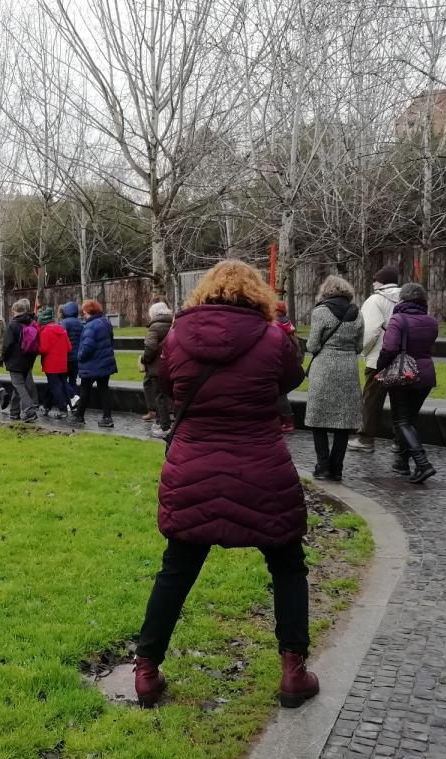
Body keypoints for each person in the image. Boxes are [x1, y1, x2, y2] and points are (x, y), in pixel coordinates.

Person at [132, 260, 316, 711]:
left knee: (175, 570)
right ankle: (293, 672)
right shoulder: (273, 340)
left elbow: (169, 385)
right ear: (257, 295)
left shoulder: (176, 337)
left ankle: (146, 671)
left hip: (193, 466)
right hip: (262, 467)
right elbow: (290, 378)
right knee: (288, 566)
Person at [376, 283, 439, 483]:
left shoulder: (398, 319)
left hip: (403, 376)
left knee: (401, 421)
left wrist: (380, 366)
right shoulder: (431, 321)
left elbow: (389, 348)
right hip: (426, 374)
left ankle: (423, 463)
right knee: (409, 420)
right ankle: (402, 462)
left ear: (402, 299)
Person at [303, 275, 364, 480]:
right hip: (348, 369)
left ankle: (323, 465)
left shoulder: (320, 312)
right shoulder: (357, 313)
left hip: (324, 369)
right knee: (344, 421)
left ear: (325, 292)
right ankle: (337, 468)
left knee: (317, 418)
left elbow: (312, 345)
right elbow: (359, 347)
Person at [350, 267, 402, 452]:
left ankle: (365, 439)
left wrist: (363, 351)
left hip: (378, 359)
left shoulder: (375, 300)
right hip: (403, 360)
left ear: (381, 282)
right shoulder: (407, 297)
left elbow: (370, 332)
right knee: (400, 402)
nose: (372, 282)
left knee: (372, 400)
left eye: (375, 279)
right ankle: (400, 442)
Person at [73, 299, 118, 428]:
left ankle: (79, 416)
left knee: (85, 390)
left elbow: (87, 346)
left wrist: (80, 356)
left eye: (84, 312)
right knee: (104, 390)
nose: (83, 314)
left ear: (88, 311)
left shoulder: (91, 326)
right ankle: (107, 417)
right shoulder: (105, 322)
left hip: (92, 364)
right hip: (105, 362)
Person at [1, 298, 40, 422]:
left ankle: (29, 411)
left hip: (15, 361)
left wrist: (3, 357)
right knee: (18, 386)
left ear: (14, 310)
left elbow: (7, 345)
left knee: (19, 386)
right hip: (28, 359)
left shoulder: (13, 325)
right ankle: (14, 412)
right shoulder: (32, 322)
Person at [140, 301, 174, 438]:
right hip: (171, 365)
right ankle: (161, 422)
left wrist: (143, 360)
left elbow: (150, 348)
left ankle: (164, 426)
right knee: (168, 395)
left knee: (160, 396)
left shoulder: (154, 328)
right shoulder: (172, 325)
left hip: (157, 367)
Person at [37, 307, 72, 418]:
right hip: (62, 364)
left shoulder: (45, 331)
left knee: (55, 386)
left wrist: (35, 348)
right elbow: (69, 348)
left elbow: (43, 349)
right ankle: (46, 406)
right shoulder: (61, 329)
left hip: (51, 365)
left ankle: (63, 409)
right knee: (52, 385)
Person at [274, 301, 301, 433]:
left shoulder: (276, 324)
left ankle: (287, 421)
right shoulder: (286, 323)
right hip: (289, 362)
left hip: (281, 363)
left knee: (280, 392)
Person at [60, 301, 83, 407]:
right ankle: (72, 404)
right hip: (76, 357)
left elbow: (61, 339)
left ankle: (73, 397)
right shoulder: (79, 323)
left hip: (66, 357)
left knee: (62, 380)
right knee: (73, 380)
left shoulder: (64, 323)